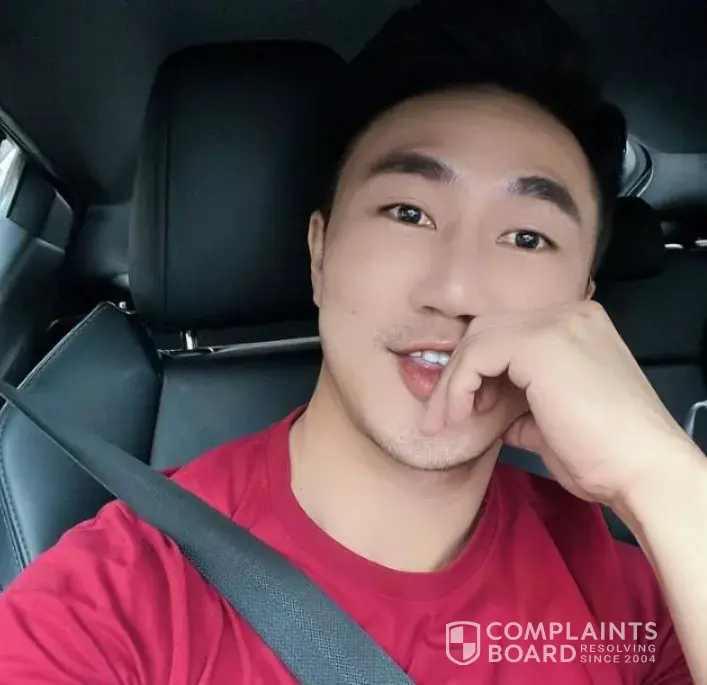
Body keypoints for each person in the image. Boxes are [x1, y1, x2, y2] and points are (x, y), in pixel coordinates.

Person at [0, 0, 704, 682]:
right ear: (320, 253)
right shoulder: (116, 599)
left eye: (527, 237)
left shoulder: (644, 601)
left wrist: (663, 474)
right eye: (408, 212)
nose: (456, 290)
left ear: (582, 305)